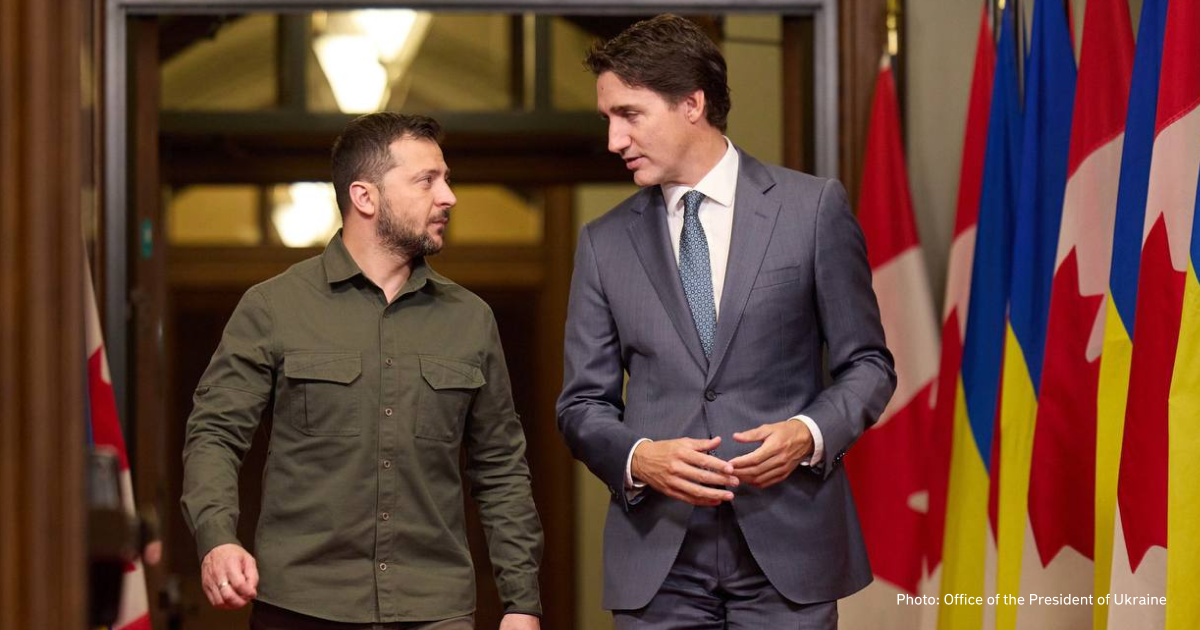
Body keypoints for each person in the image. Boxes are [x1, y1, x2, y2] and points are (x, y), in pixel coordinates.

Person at [556, 15, 896, 629]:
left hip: (789, 551)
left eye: (629, 114)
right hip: (657, 560)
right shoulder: (603, 244)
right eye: (608, 118)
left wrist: (809, 433)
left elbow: (868, 365)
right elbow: (581, 405)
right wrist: (639, 456)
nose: (613, 139)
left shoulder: (812, 210)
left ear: (692, 103)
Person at [182, 113, 543, 630]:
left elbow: (502, 467)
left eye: (446, 179)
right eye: (427, 180)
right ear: (365, 197)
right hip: (301, 605)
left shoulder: (471, 321)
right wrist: (216, 538)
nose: (449, 197)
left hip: (435, 610)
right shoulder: (273, 307)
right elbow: (215, 434)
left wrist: (521, 601)